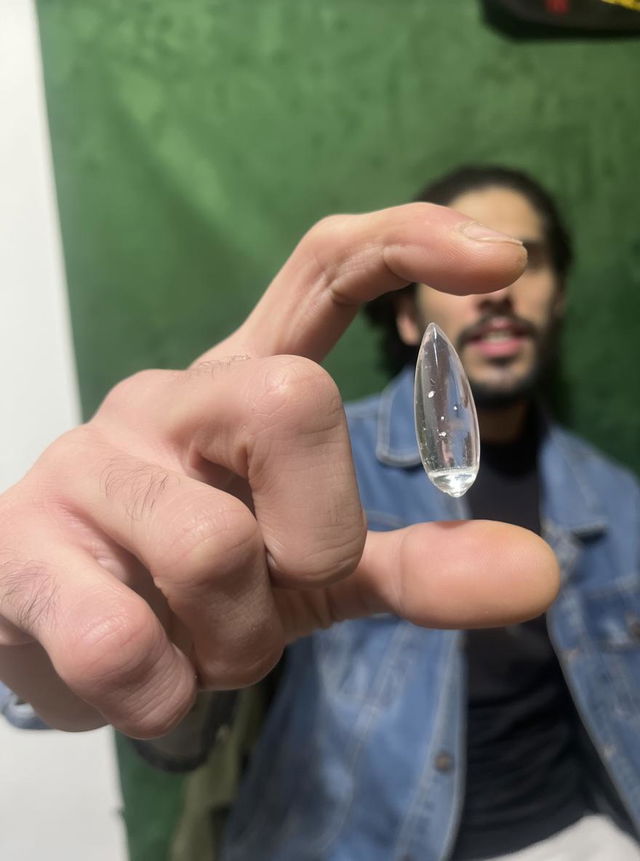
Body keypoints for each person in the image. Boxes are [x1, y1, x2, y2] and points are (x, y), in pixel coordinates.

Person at [132, 166, 640, 861]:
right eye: (459, 277)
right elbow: (171, 733)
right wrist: (138, 597)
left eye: (526, 259)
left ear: (558, 301)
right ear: (407, 316)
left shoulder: (617, 501)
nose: (497, 291)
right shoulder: (298, 471)